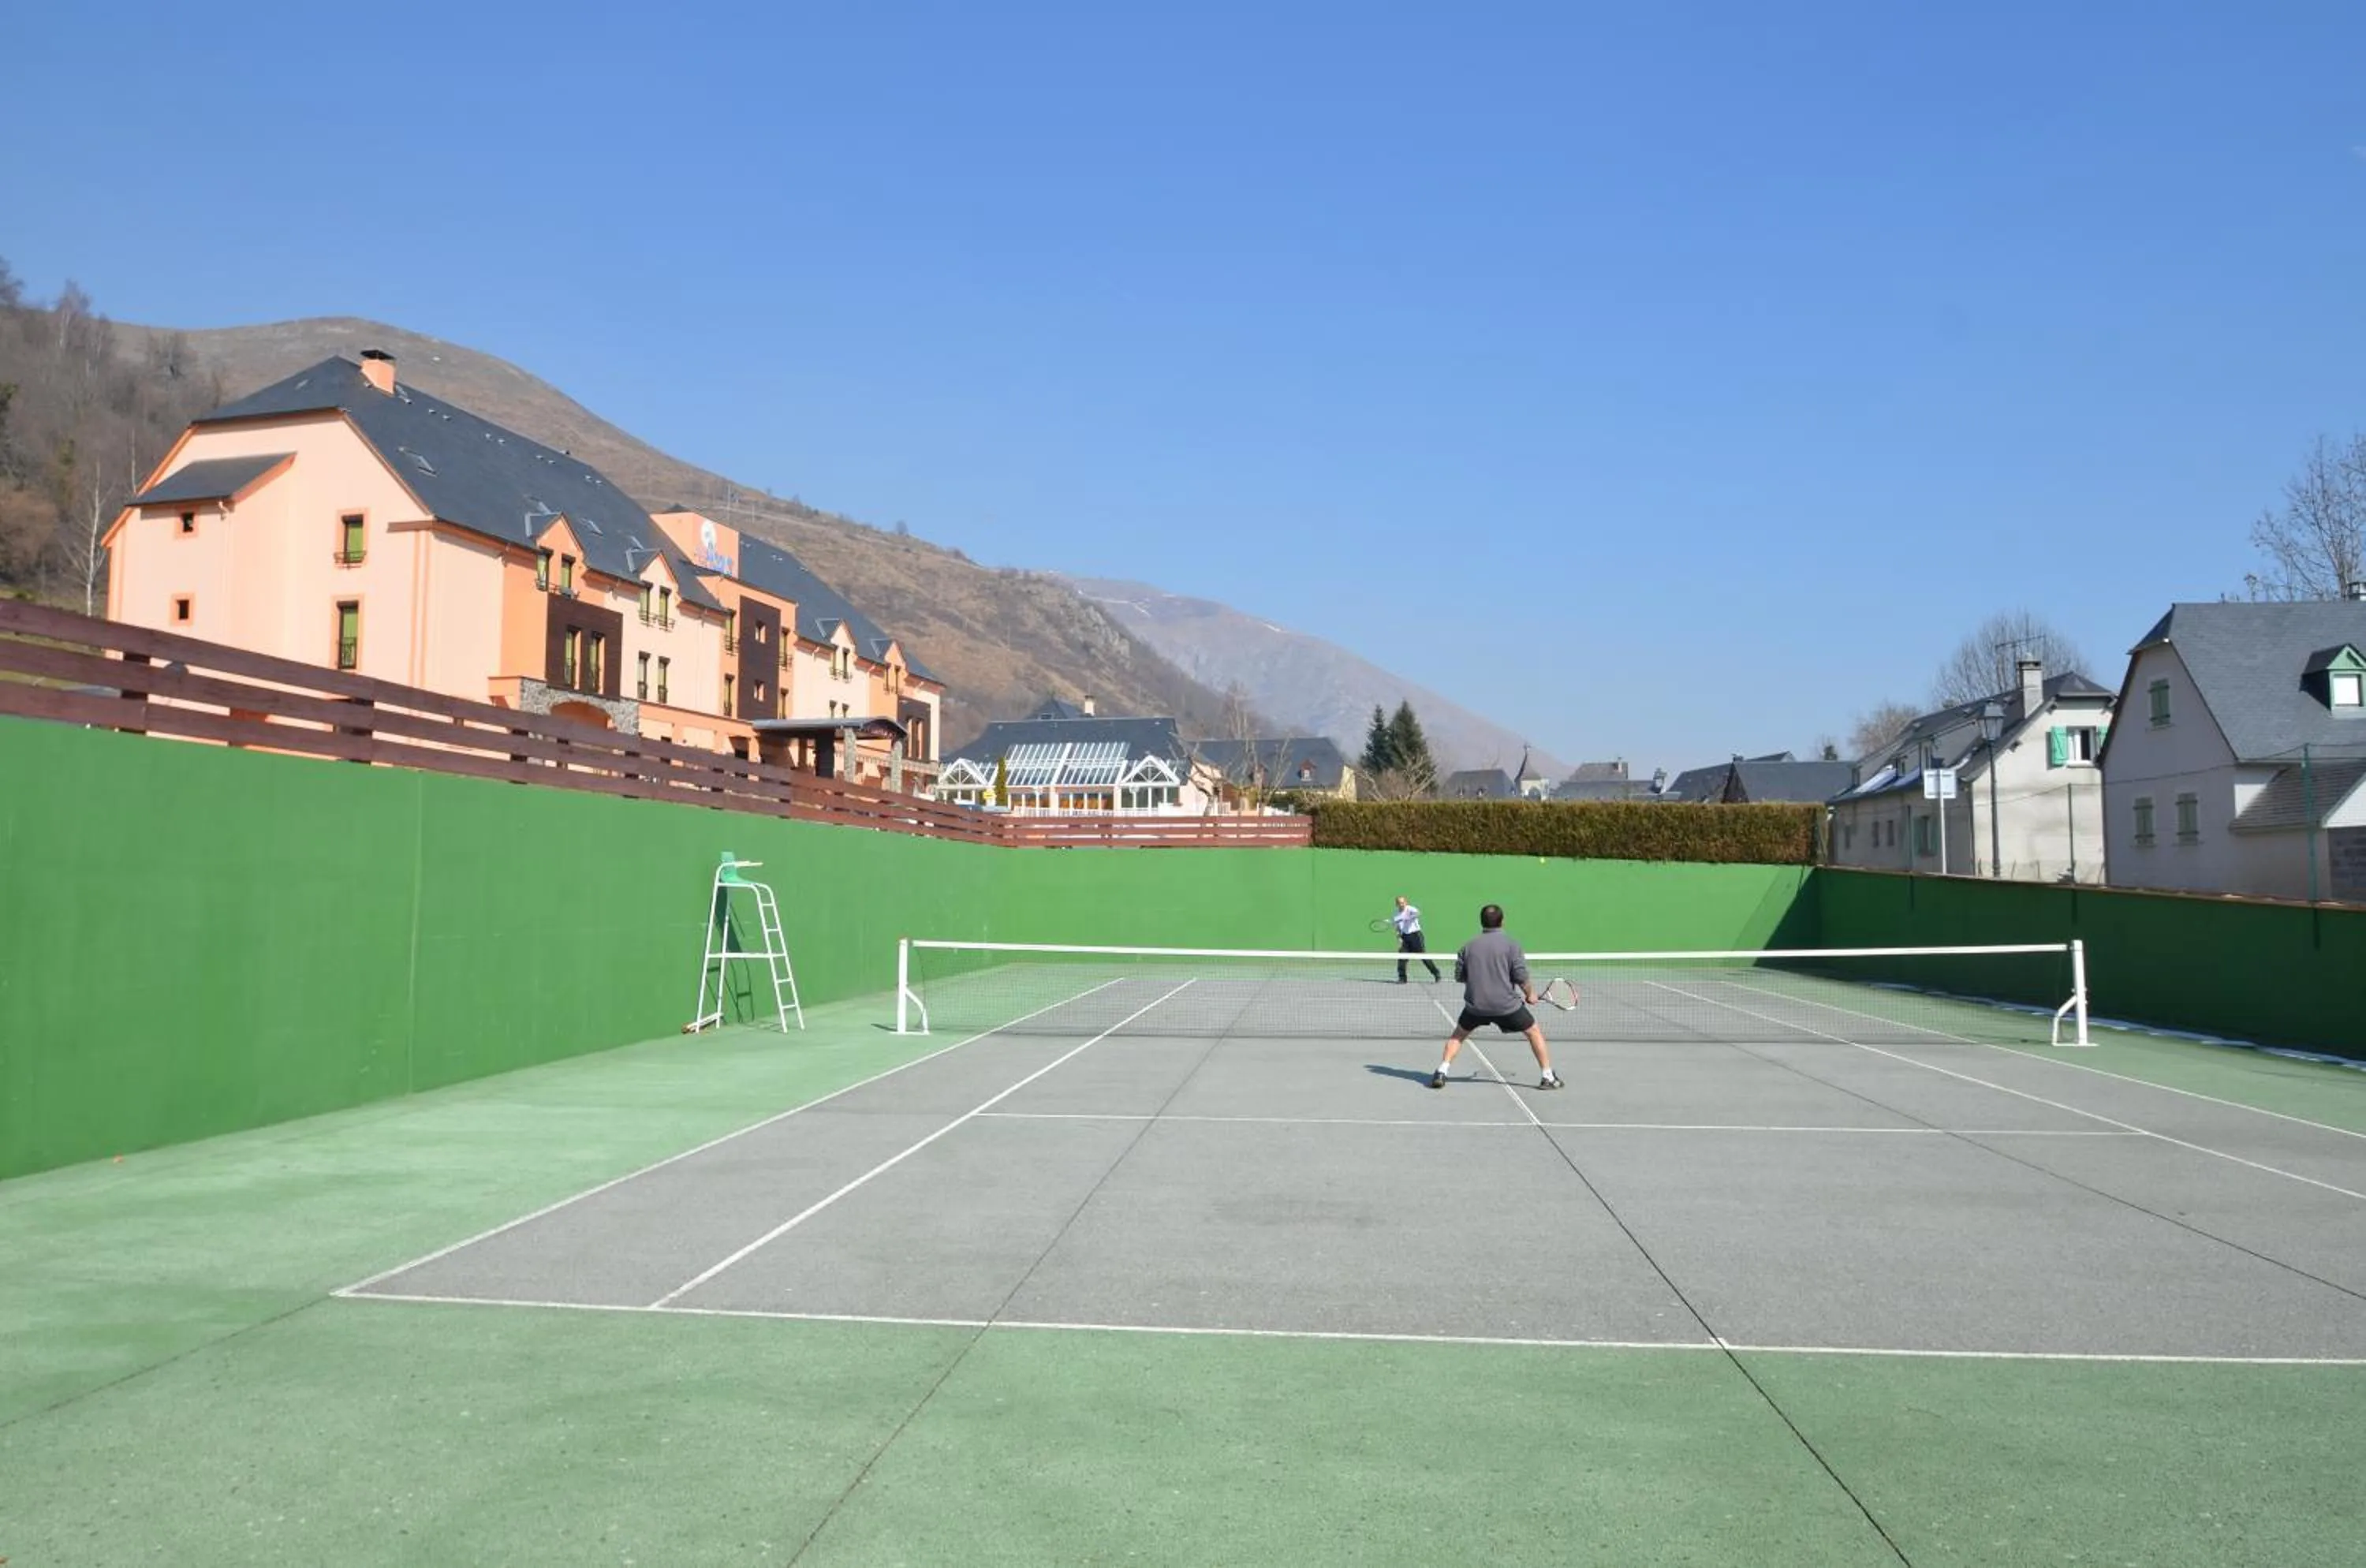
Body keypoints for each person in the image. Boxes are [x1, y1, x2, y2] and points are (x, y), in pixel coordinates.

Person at [1432, 903, 1563, 1090]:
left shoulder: (1467, 947)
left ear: (1481, 922)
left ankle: (1441, 1072)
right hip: (1507, 1006)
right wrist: (1530, 994)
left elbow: (1460, 977)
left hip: (1475, 1007)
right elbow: (1520, 977)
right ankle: (1548, 1077)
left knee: (1458, 1036)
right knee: (1534, 1032)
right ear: (1502, 921)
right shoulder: (1512, 945)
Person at [1390, 895, 1442, 984]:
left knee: (1423, 957)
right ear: (1396, 904)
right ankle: (1402, 978)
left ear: (1406, 903)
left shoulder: (1410, 909)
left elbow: (1418, 913)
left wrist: (1408, 917)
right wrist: (1399, 937)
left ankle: (1436, 974)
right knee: (1402, 957)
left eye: (1403, 902)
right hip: (1405, 938)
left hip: (1416, 936)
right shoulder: (1396, 914)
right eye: (1399, 903)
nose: (1401, 904)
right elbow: (1398, 928)